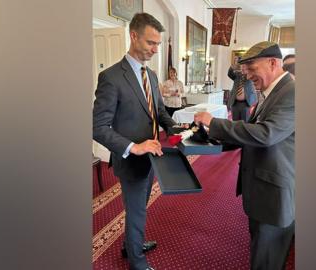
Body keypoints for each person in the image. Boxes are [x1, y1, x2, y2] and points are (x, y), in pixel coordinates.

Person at [194, 41, 295, 270]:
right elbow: (252, 134)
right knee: (259, 253)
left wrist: (215, 123)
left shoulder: (292, 92)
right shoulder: (272, 91)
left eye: (251, 68)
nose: (247, 76)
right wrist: (211, 138)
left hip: (275, 196)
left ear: (272, 63)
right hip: (262, 191)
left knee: (266, 261)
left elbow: (266, 134)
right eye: (246, 70)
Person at [93, 13, 177, 270]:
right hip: (131, 159)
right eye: (151, 42)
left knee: (137, 207)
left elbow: (159, 112)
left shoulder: (150, 75)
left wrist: (178, 128)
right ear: (133, 36)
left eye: (158, 44)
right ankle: (137, 263)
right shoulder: (111, 77)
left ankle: (130, 245)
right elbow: (96, 127)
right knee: (138, 210)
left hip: (152, 156)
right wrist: (134, 147)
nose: (155, 49)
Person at [227, 56, 257, 121]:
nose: (242, 67)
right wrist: (233, 65)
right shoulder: (237, 75)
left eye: (244, 65)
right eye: (241, 65)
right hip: (235, 103)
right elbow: (229, 74)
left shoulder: (250, 74)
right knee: (235, 123)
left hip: (246, 103)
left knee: (245, 122)